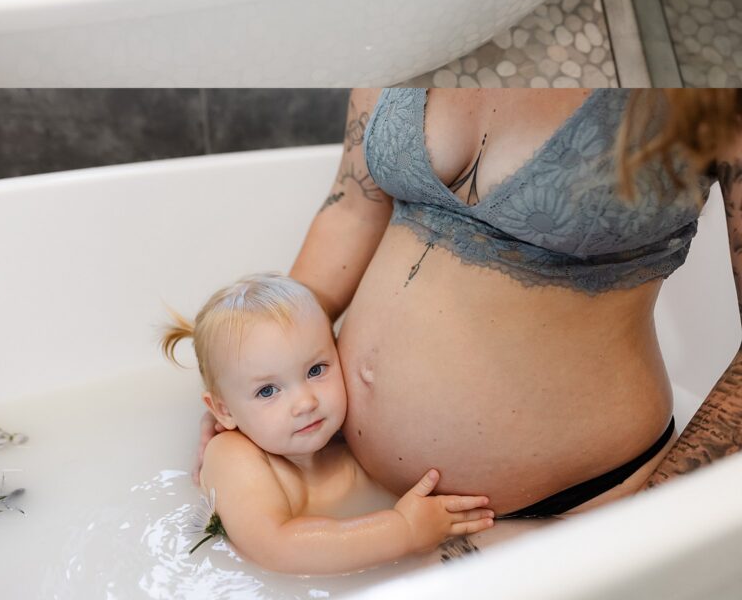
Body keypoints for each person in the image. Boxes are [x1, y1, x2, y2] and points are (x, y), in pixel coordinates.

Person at [187, 87, 742, 549]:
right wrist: (264, 378)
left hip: (565, 514)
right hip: (359, 486)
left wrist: (650, 526)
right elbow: (352, 205)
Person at [162, 273, 494, 574]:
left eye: (316, 370)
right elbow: (278, 549)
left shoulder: (342, 438)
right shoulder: (233, 455)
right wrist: (403, 530)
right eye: (267, 391)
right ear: (223, 410)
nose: (306, 402)